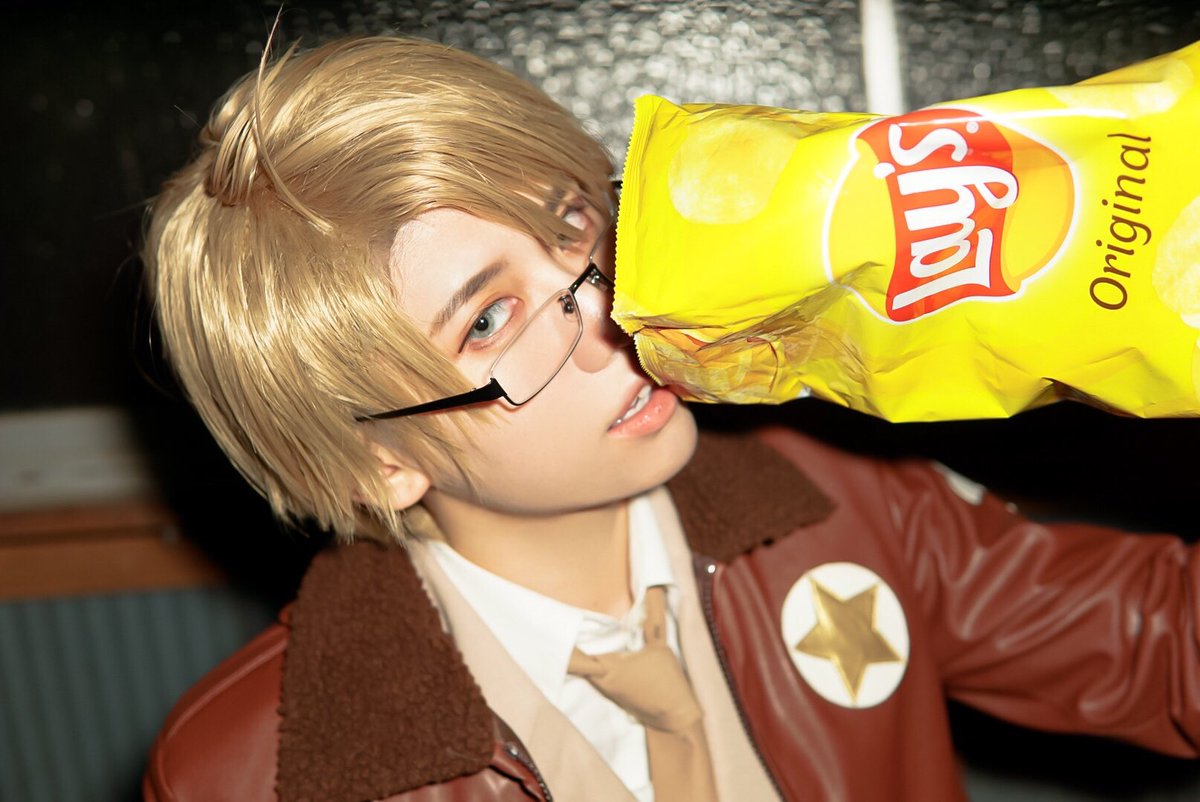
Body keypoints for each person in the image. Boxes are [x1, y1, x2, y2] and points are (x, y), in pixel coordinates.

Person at [141, 35, 1200, 802]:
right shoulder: (252, 771)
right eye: (492, 319)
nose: (617, 305)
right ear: (375, 462)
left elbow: (1163, 647)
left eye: (571, 221)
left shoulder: (841, 506)